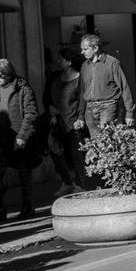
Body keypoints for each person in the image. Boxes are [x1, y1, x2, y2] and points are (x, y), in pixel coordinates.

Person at [0, 59, 39, 222]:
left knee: (24, 174)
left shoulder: (23, 89)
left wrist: (23, 136)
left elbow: (31, 114)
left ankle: (28, 207)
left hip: (18, 138)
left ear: (8, 73)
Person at [74, 34, 135, 135]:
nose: (82, 52)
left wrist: (129, 113)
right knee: (96, 144)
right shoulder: (84, 66)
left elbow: (124, 88)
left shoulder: (112, 63)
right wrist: (80, 116)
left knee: (106, 142)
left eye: (85, 49)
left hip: (108, 107)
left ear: (96, 48)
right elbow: (83, 91)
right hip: (89, 109)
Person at [46, 48, 85, 195]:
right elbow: (48, 96)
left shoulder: (79, 79)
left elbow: (83, 100)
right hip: (56, 121)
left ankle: (81, 184)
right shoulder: (56, 78)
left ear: (69, 62)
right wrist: (50, 107)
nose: (58, 61)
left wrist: (80, 118)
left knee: (76, 153)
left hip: (73, 121)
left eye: (61, 59)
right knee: (54, 148)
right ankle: (67, 181)